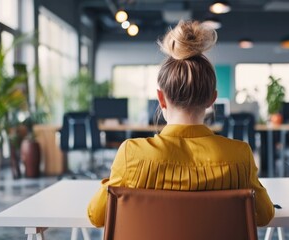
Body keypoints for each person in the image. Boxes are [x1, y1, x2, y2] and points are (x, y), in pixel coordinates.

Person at [87, 20, 274, 227]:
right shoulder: (240, 155)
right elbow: (264, 215)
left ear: (161, 98)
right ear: (212, 99)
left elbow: (96, 216)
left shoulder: (131, 154)